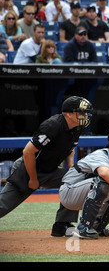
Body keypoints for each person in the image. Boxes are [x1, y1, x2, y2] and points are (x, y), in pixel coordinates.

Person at [0, 96, 93, 238]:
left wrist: (71, 169)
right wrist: (32, 178)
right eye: (81, 112)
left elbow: (71, 149)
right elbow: (28, 152)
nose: (85, 115)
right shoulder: (52, 125)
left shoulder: (77, 127)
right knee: (4, 205)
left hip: (50, 170)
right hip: (27, 169)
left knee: (76, 181)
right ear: (68, 113)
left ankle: (62, 225)